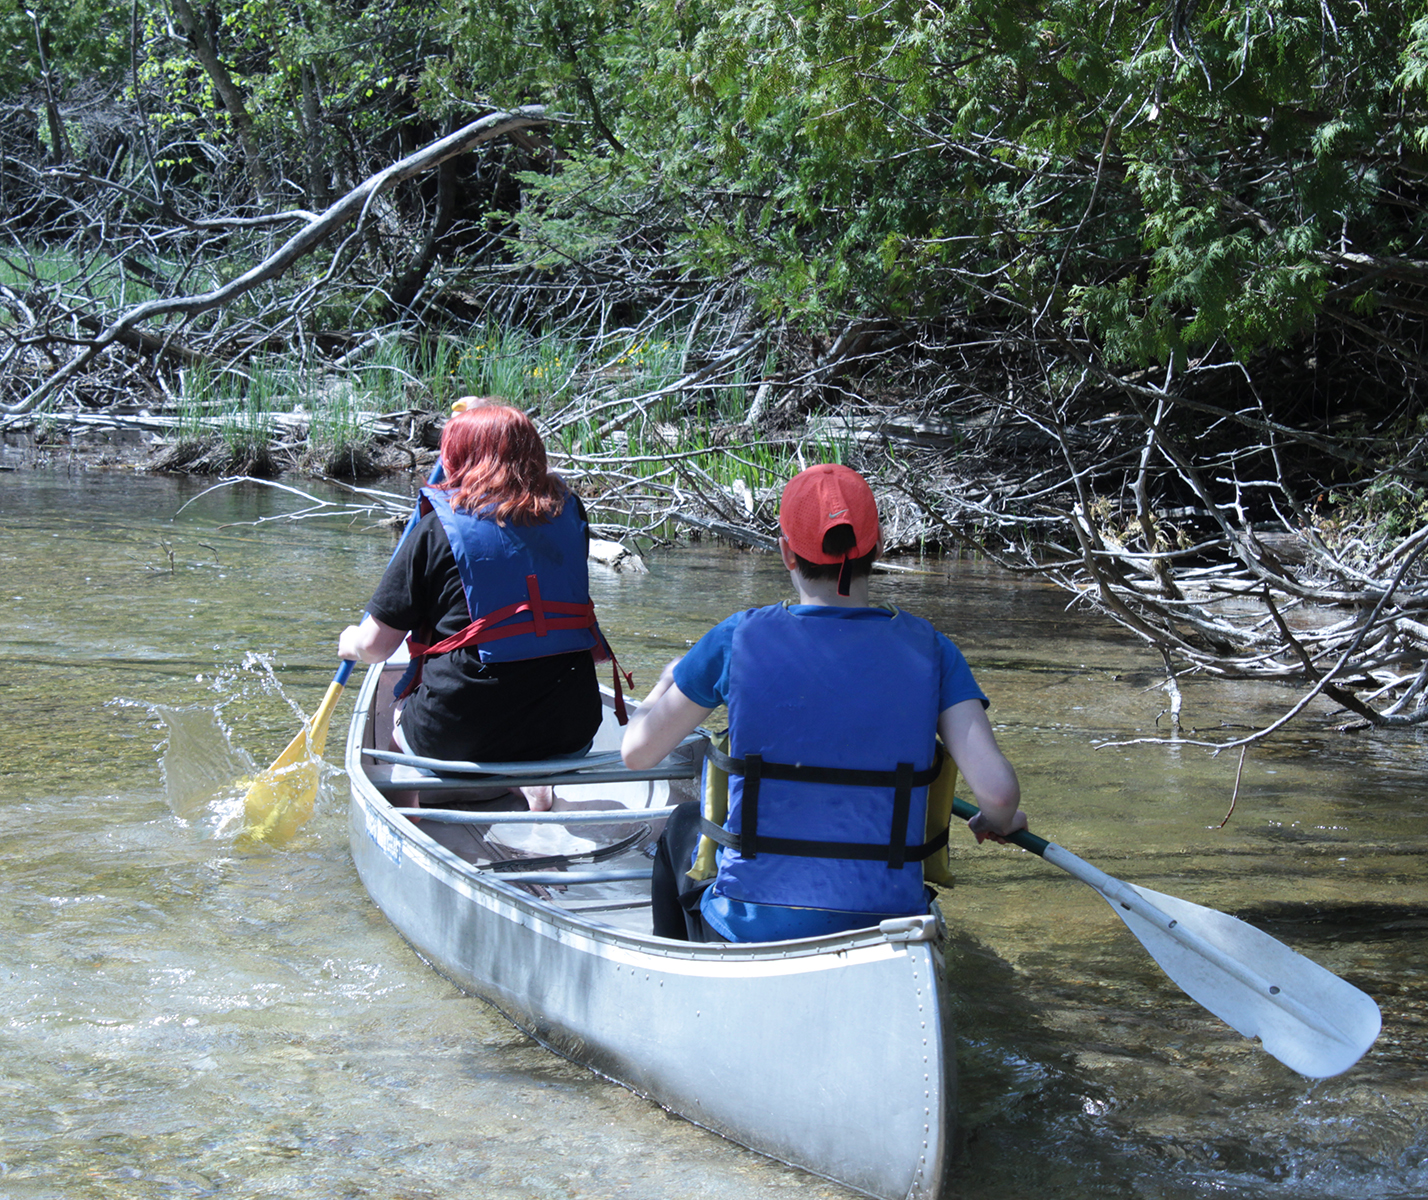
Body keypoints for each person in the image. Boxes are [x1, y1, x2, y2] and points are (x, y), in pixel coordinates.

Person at [621, 462, 1027, 941]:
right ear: (875, 548)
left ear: (787, 553)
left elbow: (637, 752)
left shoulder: (736, 639)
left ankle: (682, 979)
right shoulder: (934, 650)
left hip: (753, 923)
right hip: (887, 921)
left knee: (683, 823)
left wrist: (665, 684)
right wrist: (999, 820)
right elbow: (998, 795)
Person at [339, 401, 611, 810]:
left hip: (458, 733)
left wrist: (350, 643)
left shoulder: (437, 531)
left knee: (395, 734)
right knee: (526, 702)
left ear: (456, 459)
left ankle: (410, 818)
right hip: (570, 728)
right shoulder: (569, 513)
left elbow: (377, 647)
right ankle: (534, 783)